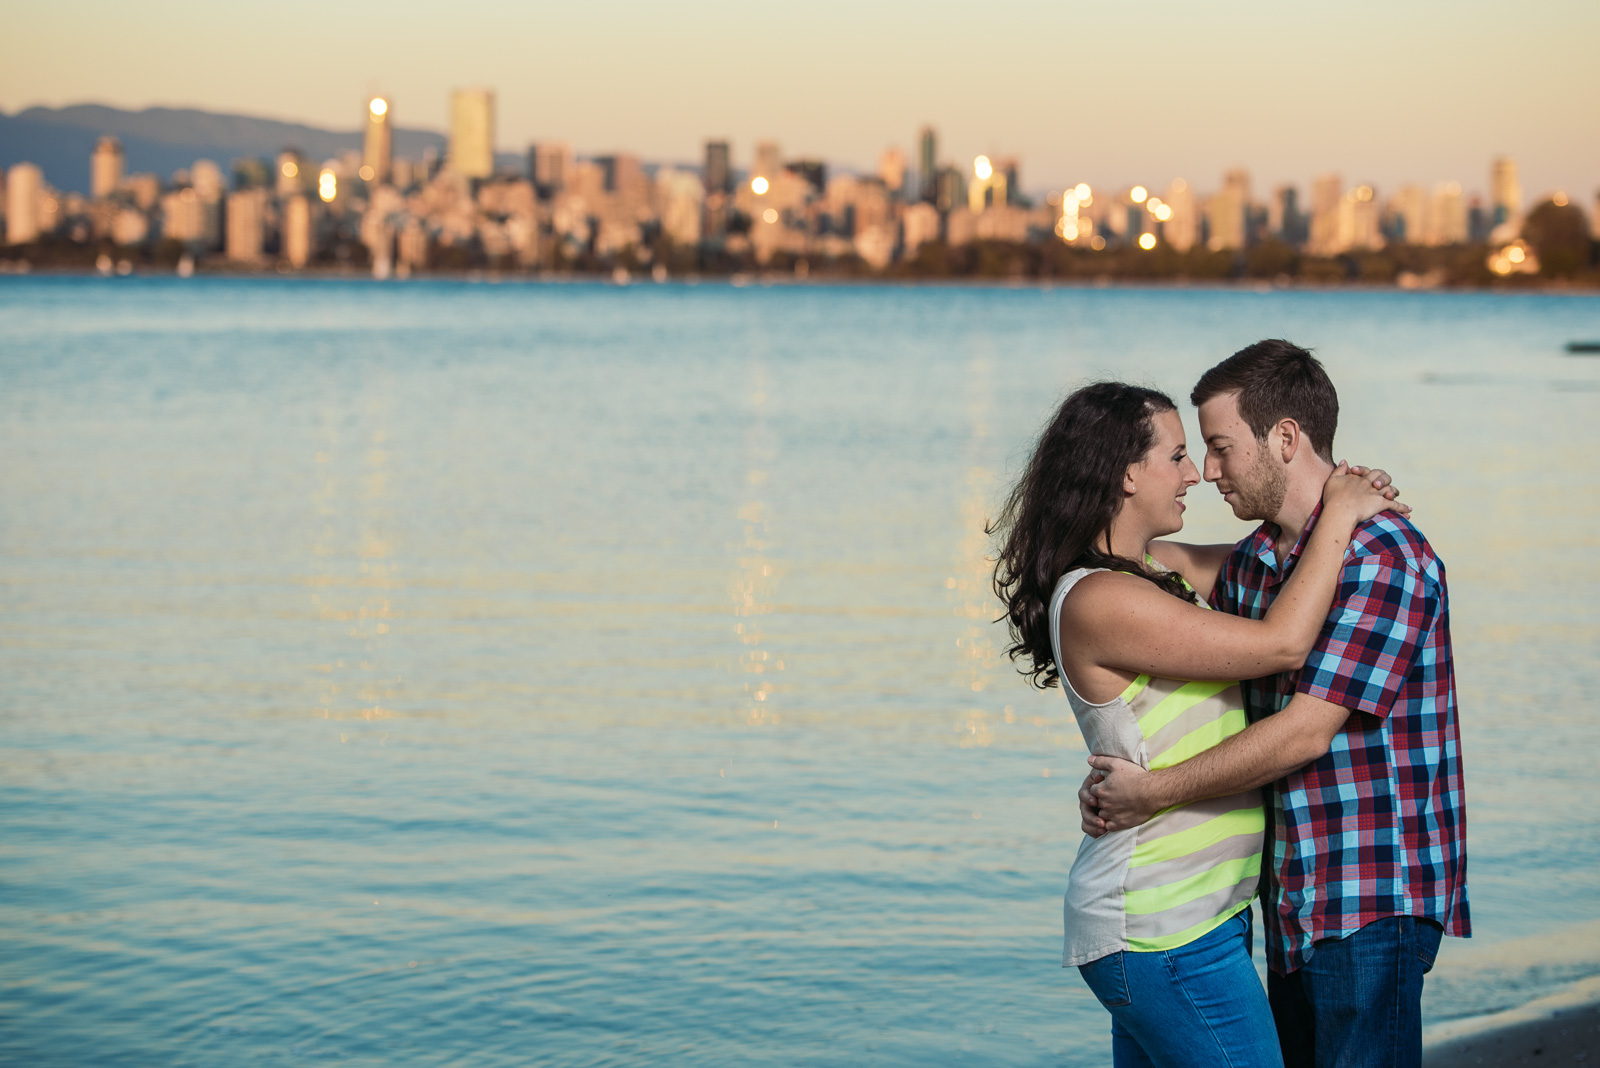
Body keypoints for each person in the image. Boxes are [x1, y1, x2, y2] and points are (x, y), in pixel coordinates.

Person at [990, 380, 1404, 1068]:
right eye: (1178, 456)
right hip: (1158, 923)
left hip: (1199, 914)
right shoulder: (1099, 598)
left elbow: (1287, 566)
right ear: (1126, 473)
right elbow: (1282, 643)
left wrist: (1338, 498)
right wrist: (1339, 513)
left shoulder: (1157, 572)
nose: (1195, 475)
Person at [1081, 341, 1470, 1068]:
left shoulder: (1384, 558)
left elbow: (1303, 734)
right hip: (1289, 898)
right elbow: (1126, 568)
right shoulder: (1258, 563)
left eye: (1222, 448)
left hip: (1369, 898)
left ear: (1285, 438)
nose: (1210, 471)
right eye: (1196, 452)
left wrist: (1148, 792)